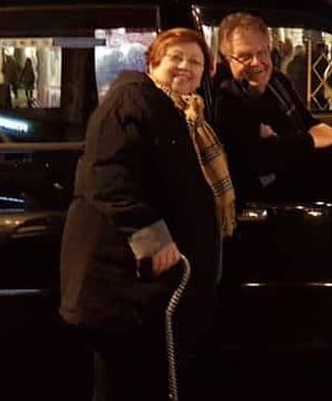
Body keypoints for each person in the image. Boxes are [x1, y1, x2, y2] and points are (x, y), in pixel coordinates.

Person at [60, 28, 234, 401]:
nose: (185, 67)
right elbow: (105, 176)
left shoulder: (185, 113)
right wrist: (153, 238)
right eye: (176, 58)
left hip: (145, 291)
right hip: (121, 285)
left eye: (196, 62)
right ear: (153, 60)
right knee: (122, 384)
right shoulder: (132, 100)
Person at [213, 12, 332, 197]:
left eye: (262, 52)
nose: (257, 63)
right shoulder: (222, 99)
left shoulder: (278, 81)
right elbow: (253, 159)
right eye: (245, 56)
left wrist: (325, 132)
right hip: (271, 201)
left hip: (305, 183)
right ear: (227, 59)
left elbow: (306, 122)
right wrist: (309, 140)